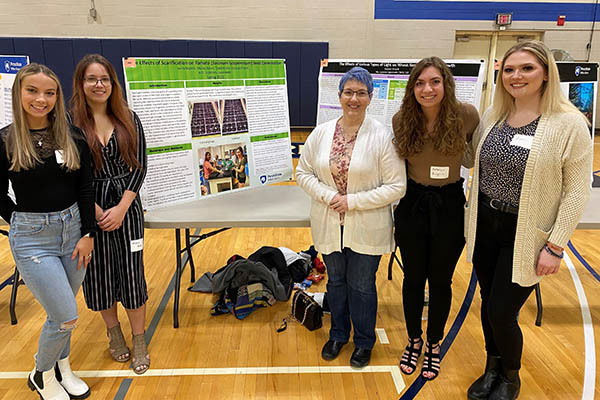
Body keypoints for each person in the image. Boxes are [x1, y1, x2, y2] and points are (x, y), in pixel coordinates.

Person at [463, 40, 592, 400]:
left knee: (503, 311)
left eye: (526, 69)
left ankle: (510, 376)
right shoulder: (494, 115)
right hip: (486, 224)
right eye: (509, 70)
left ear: (546, 73)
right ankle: (492, 365)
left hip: (528, 234)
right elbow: (471, 158)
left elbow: (576, 192)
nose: (515, 76)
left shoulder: (569, 124)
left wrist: (556, 246)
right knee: (489, 304)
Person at [296, 67, 406, 368]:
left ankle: (364, 342)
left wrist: (351, 202)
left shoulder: (383, 137)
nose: (353, 98)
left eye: (361, 93)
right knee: (336, 283)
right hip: (329, 221)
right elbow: (302, 172)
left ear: (371, 97)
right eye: (348, 92)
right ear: (340, 95)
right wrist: (328, 196)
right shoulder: (321, 133)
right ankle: (339, 335)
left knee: (362, 285)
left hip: (366, 225)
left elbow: (397, 186)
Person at [0, 63, 94, 399]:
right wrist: (20, 222)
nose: (41, 99)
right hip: (32, 239)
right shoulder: (6, 141)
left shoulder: (74, 137)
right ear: (19, 93)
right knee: (66, 316)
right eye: (33, 91)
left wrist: (88, 233)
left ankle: (62, 366)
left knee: (63, 308)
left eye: (49, 93)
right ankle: (42, 373)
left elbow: (85, 188)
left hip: (73, 233)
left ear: (57, 96)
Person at [391, 57, 479, 380]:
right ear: (412, 87)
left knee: (440, 281)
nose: (427, 89)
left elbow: (475, 159)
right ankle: (414, 340)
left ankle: (433, 343)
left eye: (434, 82)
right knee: (413, 279)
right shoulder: (401, 119)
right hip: (412, 204)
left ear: (446, 84)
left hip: (449, 205)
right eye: (420, 83)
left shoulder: (466, 116)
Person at [70, 54, 150, 375]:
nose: (99, 84)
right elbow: (70, 172)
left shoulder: (129, 117)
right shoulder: (71, 122)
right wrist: (95, 207)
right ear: (81, 84)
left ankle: (139, 338)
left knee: (131, 273)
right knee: (99, 275)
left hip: (126, 208)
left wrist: (121, 207)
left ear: (112, 83)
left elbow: (140, 164)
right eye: (92, 79)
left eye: (104, 78)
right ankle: (113, 332)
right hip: (88, 207)